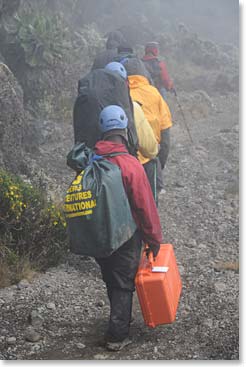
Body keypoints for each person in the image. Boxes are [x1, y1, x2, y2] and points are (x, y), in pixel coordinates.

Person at [94, 105, 162, 351]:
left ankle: (119, 319)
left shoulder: (92, 161)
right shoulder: (130, 164)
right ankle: (116, 335)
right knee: (123, 282)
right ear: (124, 130)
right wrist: (154, 239)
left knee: (112, 277)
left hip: (99, 236)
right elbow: (145, 207)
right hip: (125, 236)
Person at [122, 57, 172, 199]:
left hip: (127, 160)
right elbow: (165, 133)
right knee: (150, 206)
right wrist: (159, 163)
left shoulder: (119, 94)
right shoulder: (155, 93)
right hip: (150, 160)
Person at [105, 62, 158, 165]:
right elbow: (149, 148)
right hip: (131, 164)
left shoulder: (97, 106)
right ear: (126, 82)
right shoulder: (133, 107)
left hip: (99, 167)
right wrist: (156, 150)